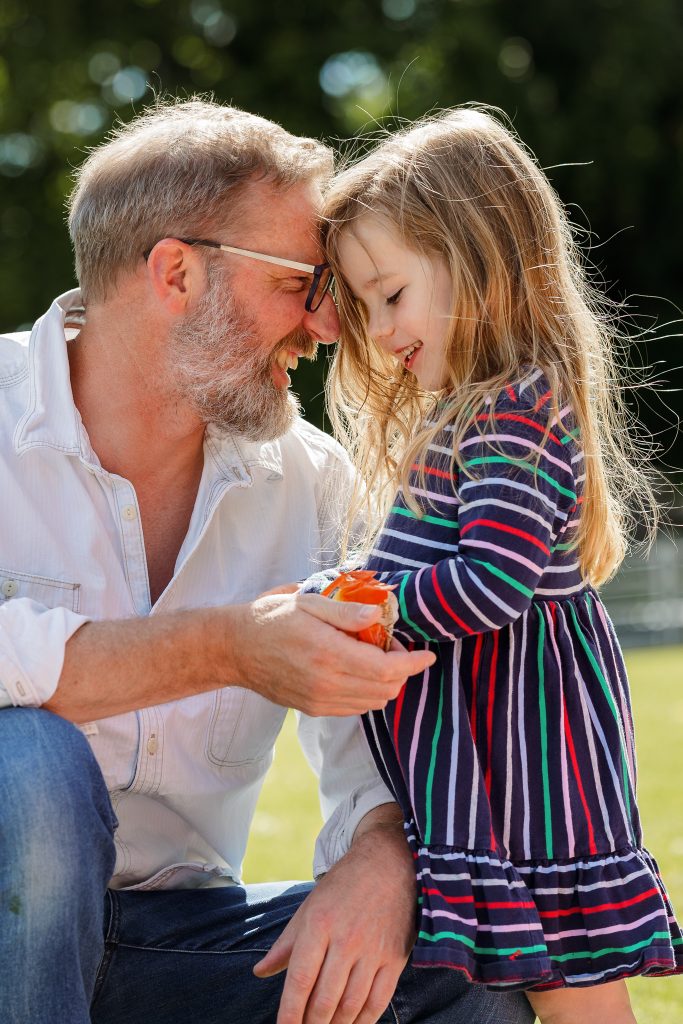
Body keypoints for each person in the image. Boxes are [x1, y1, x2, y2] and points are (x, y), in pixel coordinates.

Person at [0, 99, 536, 1024]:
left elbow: (375, 740)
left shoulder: (313, 480)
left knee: (474, 972)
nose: (329, 327)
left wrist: (380, 857)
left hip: (178, 944)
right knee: (30, 761)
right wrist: (231, 647)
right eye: (302, 280)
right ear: (175, 272)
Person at [300, 106, 683, 1023]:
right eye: (362, 305)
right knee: (532, 985)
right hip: (493, 746)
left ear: (480, 261)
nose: (381, 330)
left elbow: (490, 582)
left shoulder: (514, 412)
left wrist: (368, 603)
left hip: (532, 755)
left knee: (570, 993)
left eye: (390, 294)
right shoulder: (468, 409)